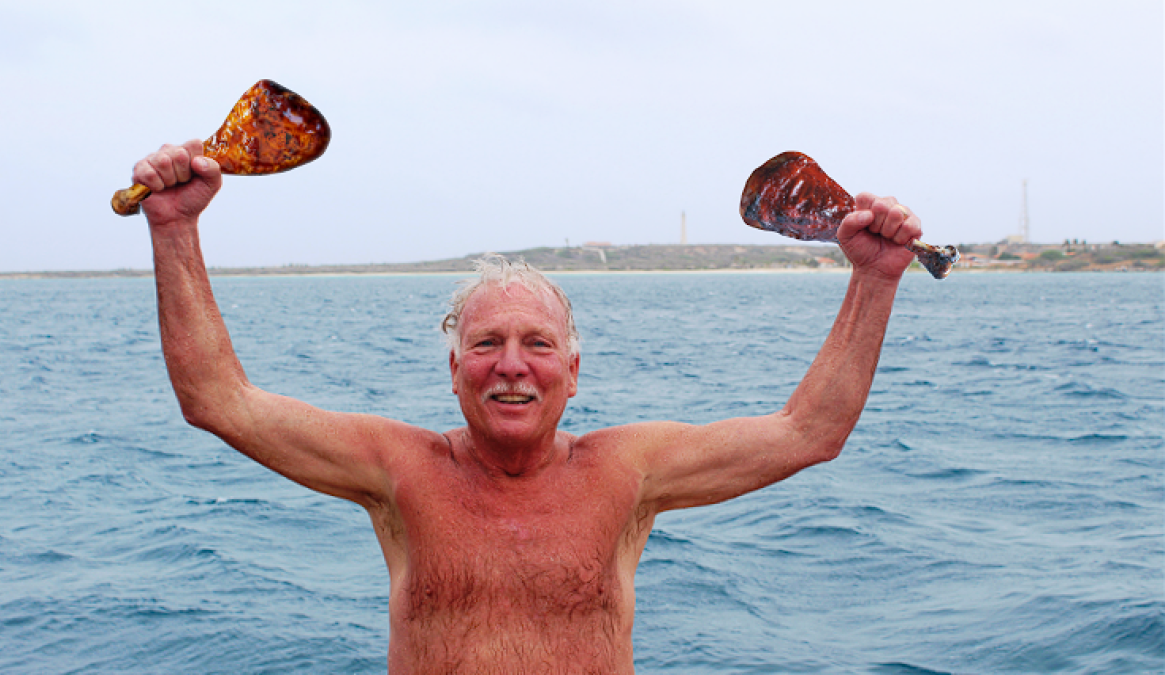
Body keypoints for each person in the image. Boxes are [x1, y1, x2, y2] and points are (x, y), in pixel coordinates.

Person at [132, 140, 924, 675]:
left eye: (537, 345)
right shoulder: (396, 469)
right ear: (453, 371)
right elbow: (217, 400)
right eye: (487, 344)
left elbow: (808, 431)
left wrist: (874, 278)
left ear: (572, 372)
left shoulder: (630, 470)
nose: (511, 365)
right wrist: (175, 227)